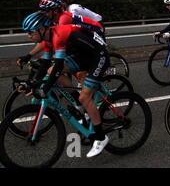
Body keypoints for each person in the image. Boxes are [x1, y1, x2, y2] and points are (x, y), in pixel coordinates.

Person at [21, 11, 110, 157]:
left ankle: (101, 137)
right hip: (82, 56)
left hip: (98, 57)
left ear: (42, 29)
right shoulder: (47, 39)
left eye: (31, 32)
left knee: (85, 97)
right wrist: (32, 84)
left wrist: (44, 88)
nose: (29, 36)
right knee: (50, 71)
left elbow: (59, 65)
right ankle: (78, 104)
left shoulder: (58, 36)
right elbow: (45, 65)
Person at [17, 0, 104, 68]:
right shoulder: (51, 20)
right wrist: (29, 55)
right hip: (83, 32)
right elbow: (46, 39)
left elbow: (59, 39)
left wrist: (46, 57)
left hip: (95, 31)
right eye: (41, 10)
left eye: (45, 11)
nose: (42, 13)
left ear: (54, 11)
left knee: (70, 58)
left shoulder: (64, 18)